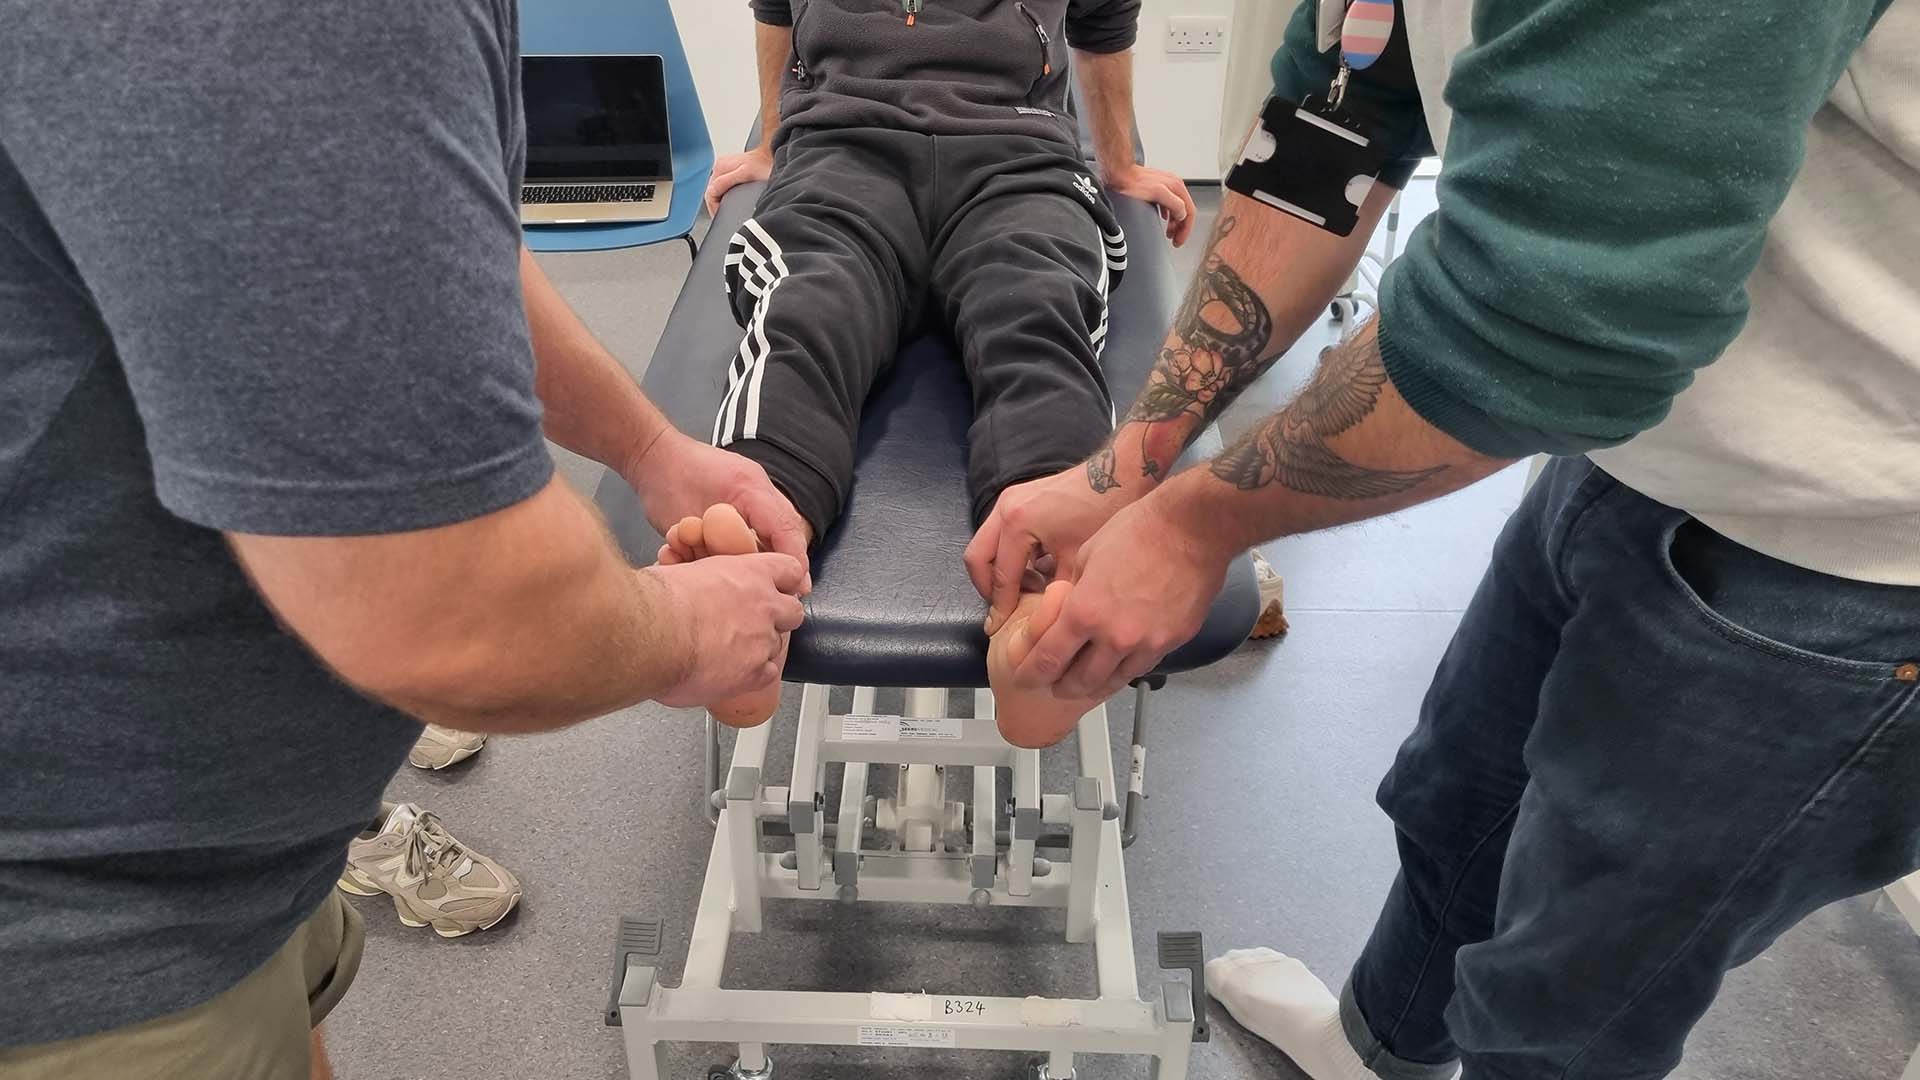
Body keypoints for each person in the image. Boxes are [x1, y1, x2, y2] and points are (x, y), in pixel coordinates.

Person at [968, 0, 1920, 1076]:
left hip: (1853, 554)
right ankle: (1381, 1054)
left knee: (1565, 1009)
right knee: (1458, 809)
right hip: (1646, 453)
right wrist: (1131, 461)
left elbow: (1540, 335)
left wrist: (1196, 523)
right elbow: (1336, 124)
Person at [0, 2, 812, 1077]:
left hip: (237, 859)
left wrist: (652, 448)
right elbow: (445, 610)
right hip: (87, 924)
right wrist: (688, 632)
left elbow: (419, 256)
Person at [675, 0, 1198, 741]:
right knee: (807, 304)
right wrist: (775, 144)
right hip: (840, 148)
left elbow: (1103, 21)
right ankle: (758, 553)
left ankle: (1042, 601)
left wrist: (1117, 166)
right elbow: (776, 9)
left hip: (1019, 155)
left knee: (1039, 306)